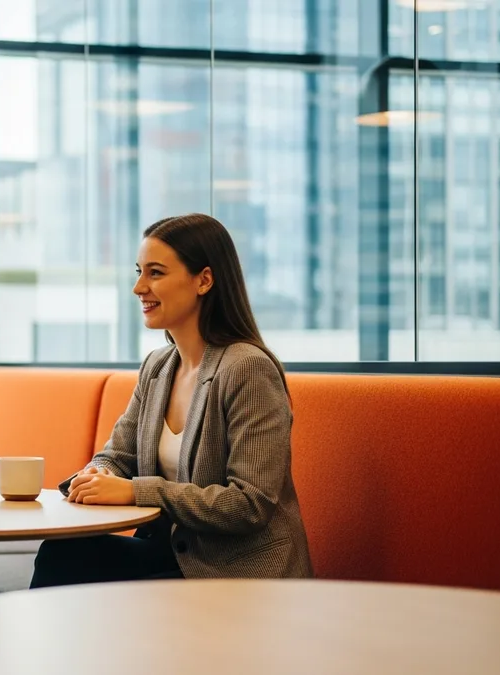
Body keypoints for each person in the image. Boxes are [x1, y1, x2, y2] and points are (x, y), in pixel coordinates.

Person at [30, 213, 313, 588]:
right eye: (138, 272)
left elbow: (250, 504)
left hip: (238, 571)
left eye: (156, 273)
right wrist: (100, 475)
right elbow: (118, 455)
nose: (139, 288)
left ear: (204, 280)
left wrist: (136, 491)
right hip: (174, 555)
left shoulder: (247, 369)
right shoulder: (158, 367)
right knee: (64, 554)